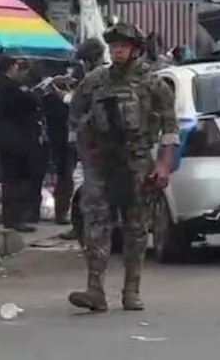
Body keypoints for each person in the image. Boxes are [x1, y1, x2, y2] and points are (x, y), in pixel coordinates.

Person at [68, 22, 178, 312]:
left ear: (136, 50)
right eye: (114, 46)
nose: (117, 51)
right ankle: (95, 290)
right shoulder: (94, 81)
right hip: (101, 161)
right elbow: (75, 115)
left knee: (136, 226)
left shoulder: (153, 84)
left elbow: (170, 127)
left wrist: (164, 165)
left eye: (123, 46)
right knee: (96, 223)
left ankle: (131, 290)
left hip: (138, 160)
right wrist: (86, 148)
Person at [55, 38, 107, 239]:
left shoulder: (93, 78)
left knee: (82, 184)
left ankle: (83, 227)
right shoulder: (111, 75)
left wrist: (64, 96)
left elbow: (79, 105)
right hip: (106, 142)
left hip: (91, 142)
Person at [0, 55, 41, 233]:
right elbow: (31, 102)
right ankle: (14, 218)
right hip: (15, 139)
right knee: (15, 179)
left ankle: (13, 217)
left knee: (12, 179)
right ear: (11, 68)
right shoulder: (10, 87)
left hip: (6, 138)